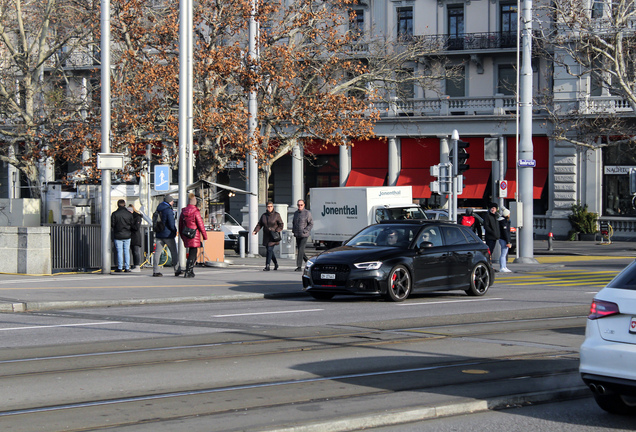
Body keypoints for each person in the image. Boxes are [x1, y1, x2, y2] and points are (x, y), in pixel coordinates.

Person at [179, 193, 208, 278]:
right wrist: (205, 236)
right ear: (194, 202)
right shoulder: (196, 212)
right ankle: (188, 271)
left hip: (186, 233)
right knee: (193, 252)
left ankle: (190, 270)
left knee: (192, 252)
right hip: (194, 234)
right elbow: (201, 225)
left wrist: (182, 235)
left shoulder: (183, 211)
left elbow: (180, 225)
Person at [153, 194, 182, 277]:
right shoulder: (168, 210)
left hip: (159, 234)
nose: (173, 202)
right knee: (173, 252)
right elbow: (171, 223)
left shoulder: (158, 208)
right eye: (172, 201)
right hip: (168, 234)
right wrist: (175, 230)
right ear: (169, 201)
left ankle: (155, 271)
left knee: (157, 253)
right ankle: (177, 270)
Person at [253, 201, 284, 271]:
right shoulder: (264, 215)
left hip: (273, 236)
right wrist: (255, 231)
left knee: (269, 250)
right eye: (268, 206)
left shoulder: (276, 215)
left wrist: (276, 230)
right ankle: (276, 263)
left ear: (273, 207)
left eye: (271, 206)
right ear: (266, 207)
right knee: (270, 251)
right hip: (266, 236)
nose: (270, 208)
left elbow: (281, 224)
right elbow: (260, 224)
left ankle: (267, 265)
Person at [111, 199, 134, 273]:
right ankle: (127, 267)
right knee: (127, 251)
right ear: (124, 204)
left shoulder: (115, 214)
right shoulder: (129, 214)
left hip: (118, 235)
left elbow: (112, 224)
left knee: (119, 251)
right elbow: (132, 224)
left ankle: (120, 267)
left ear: (117, 205)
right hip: (127, 234)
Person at [292, 199, 313, 271]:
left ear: (304, 205)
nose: (299, 206)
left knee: (300, 249)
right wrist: (293, 230)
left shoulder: (307, 213)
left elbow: (311, 223)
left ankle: (299, 266)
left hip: (304, 234)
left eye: (301, 205)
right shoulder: (295, 213)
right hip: (297, 234)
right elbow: (294, 223)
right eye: (298, 205)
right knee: (301, 250)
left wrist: (305, 230)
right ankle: (309, 262)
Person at [128, 204, 143, 270]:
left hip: (135, 236)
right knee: (134, 251)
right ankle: (135, 265)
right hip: (133, 235)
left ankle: (137, 265)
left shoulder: (137, 217)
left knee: (136, 251)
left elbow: (136, 227)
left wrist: (130, 224)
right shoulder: (136, 217)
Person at [498, 208, 513, 273]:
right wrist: (508, 241)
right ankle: (502, 267)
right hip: (504, 239)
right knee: (503, 254)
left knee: (504, 254)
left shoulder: (502, 221)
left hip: (502, 239)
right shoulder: (504, 222)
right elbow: (505, 232)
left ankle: (504, 266)